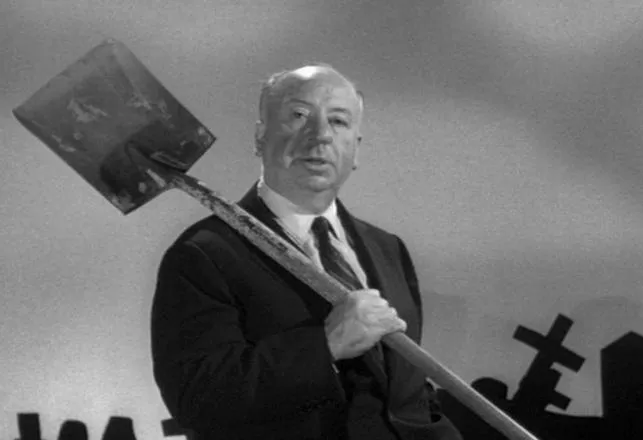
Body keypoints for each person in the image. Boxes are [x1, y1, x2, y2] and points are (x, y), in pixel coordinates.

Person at [151, 64, 462, 440]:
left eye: (339, 121)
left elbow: (408, 395)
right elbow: (197, 397)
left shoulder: (388, 249)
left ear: (356, 149)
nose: (320, 135)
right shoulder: (202, 254)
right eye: (299, 116)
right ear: (260, 137)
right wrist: (326, 345)